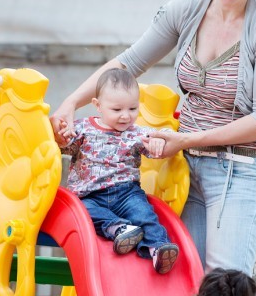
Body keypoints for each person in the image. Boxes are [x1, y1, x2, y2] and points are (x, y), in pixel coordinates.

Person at [50, 0, 256, 276]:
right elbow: (129, 63)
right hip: (186, 169)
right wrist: (71, 102)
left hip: (241, 170)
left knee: (223, 281)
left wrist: (187, 140)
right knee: (182, 277)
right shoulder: (188, 7)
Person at [53, 68, 179, 274]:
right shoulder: (83, 128)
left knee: (144, 214)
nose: (125, 116)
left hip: (126, 193)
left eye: (132, 108)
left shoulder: (137, 133)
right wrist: (63, 137)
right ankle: (120, 228)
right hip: (89, 195)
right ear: (98, 105)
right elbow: (64, 147)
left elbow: (166, 134)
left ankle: (158, 248)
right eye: (117, 109)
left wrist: (160, 140)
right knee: (82, 213)